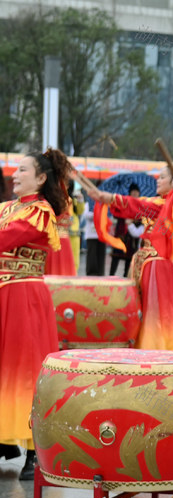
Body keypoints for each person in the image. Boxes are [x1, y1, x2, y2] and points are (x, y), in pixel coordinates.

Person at [0, 149, 68, 480]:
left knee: (25, 371)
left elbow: (8, 239)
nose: (15, 175)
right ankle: (6, 440)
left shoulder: (41, 212)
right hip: (4, 294)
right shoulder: (7, 208)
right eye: (15, 170)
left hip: (23, 296)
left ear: (41, 178)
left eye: (22, 170)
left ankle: (34, 450)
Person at [85, 169, 173, 351]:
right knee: (143, 306)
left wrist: (108, 197)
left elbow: (135, 204)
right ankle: (142, 344)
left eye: (162, 177)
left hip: (157, 263)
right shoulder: (156, 202)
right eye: (158, 176)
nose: (158, 180)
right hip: (144, 261)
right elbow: (134, 206)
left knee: (155, 310)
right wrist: (106, 199)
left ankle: (155, 347)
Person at [109, 184, 143, 277]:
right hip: (121, 235)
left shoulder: (140, 205)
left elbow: (142, 220)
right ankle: (111, 275)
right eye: (133, 192)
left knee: (129, 258)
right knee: (116, 256)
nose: (135, 194)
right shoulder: (123, 202)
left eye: (136, 192)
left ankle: (126, 276)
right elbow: (115, 214)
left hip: (132, 238)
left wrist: (133, 220)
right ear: (130, 193)